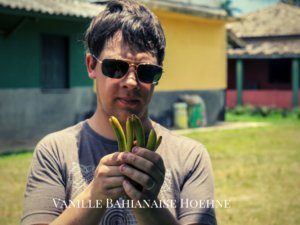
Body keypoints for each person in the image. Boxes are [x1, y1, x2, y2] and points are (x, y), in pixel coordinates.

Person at [21, 0, 217, 224]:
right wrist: (94, 195)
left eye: (147, 71)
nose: (131, 82)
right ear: (91, 66)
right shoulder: (54, 152)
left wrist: (147, 204)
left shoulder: (190, 158)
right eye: (116, 67)